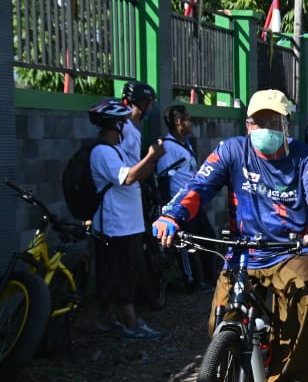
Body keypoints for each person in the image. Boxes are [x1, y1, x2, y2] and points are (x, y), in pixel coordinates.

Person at [153, 89, 308, 382]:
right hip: (243, 253)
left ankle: (293, 380)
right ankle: (228, 379)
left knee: (304, 296)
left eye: (273, 122)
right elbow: (198, 187)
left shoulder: (305, 157)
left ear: (286, 126)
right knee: (220, 320)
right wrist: (172, 216)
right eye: (258, 122)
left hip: (290, 251)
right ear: (247, 125)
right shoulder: (231, 151)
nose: (265, 129)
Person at [88, 99, 166, 340]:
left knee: (124, 274)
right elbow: (129, 177)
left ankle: (106, 321)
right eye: (122, 122)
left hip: (127, 223)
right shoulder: (102, 152)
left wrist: (152, 159)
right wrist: (151, 156)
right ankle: (132, 323)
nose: (125, 126)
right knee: (120, 275)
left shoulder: (116, 150)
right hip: (114, 225)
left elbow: (139, 174)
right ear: (116, 125)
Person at [157, 103, 216, 291]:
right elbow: (164, 176)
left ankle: (209, 276)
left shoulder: (185, 144)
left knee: (208, 237)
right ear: (178, 122)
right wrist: (168, 207)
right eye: (188, 119)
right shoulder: (168, 147)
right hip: (179, 203)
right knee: (186, 244)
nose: (191, 123)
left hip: (193, 201)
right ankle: (192, 281)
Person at [121, 81, 156, 159]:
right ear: (142, 103)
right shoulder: (125, 130)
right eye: (150, 104)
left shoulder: (133, 129)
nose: (151, 108)